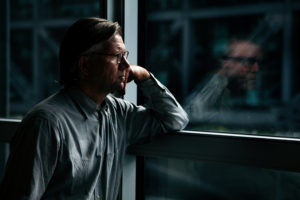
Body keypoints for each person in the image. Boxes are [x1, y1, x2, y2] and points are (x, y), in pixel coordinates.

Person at [0, 17, 189, 200]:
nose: (126, 65)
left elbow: (174, 118)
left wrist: (144, 76)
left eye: (125, 56)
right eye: (117, 57)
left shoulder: (119, 114)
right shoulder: (45, 124)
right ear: (85, 65)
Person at [184, 39, 262, 122]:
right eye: (249, 62)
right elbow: (194, 117)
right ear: (226, 62)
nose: (256, 68)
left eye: (258, 62)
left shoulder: (232, 86)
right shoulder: (215, 86)